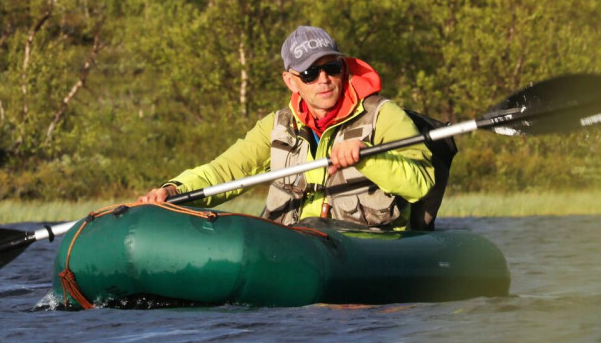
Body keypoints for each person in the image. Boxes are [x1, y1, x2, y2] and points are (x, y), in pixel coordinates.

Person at [137, 25, 435, 230]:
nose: (323, 79)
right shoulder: (277, 125)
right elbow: (222, 172)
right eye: (309, 73)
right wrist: (173, 188)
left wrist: (369, 157)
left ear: (343, 69)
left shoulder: (385, 115)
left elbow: (421, 183)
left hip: (362, 248)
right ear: (291, 81)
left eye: (331, 68)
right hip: (294, 244)